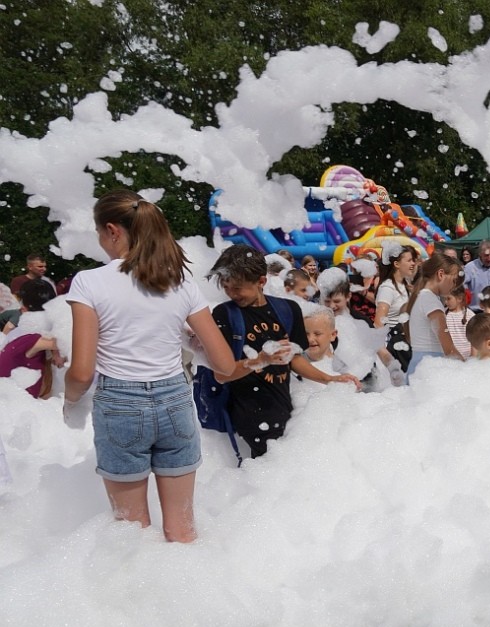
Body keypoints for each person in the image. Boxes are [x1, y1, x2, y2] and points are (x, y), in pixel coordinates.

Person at [61, 189, 235, 543]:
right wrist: (186, 340)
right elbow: (225, 364)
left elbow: (81, 372)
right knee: (183, 530)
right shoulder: (179, 281)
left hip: (120, 407)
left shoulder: (89, 282)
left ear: (113, 230)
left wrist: (70, 403)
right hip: (174, 401)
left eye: (98, 234)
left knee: (131, 534)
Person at [209, 246, 359, 459]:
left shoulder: (288, 310)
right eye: (226, 287)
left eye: (238, 288)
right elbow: (221, 374)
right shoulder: (225, 314)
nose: (232, 294)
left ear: (261, 282)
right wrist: (259, 360)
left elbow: (294, 359)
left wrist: (329, 379)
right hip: (248, 418)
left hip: (284, 411)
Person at [0, 281, 64, 398]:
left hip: (15, 402)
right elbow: (69, 342)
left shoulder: (17, 334)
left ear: (23, 307)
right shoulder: (30, 337)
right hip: (19, 404)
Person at [405, 253, 463, 376]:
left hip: (420, 365)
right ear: (441, 274)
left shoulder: (421, 298)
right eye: (454, 281)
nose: (454, 286)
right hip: (429, 370)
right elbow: (448, 347)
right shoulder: (431, 301)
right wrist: (467, 368)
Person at [374, 244, 418, 378]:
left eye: (413, 260)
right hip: (395, 347)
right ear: (397, 264)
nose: (413, 264)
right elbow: (378, 322)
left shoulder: (405, 286)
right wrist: (385, 356)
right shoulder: (388, 288)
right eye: (409, 260)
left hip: (406, 344)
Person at [443, 282, 476, 359]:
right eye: (445, 299)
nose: (445, 302)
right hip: (449, 359)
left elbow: (474, 340)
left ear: (459, 298)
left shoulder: (470, 315)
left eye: (448, 298)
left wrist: (473, 359)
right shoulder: (443, 315)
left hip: (467, 359)